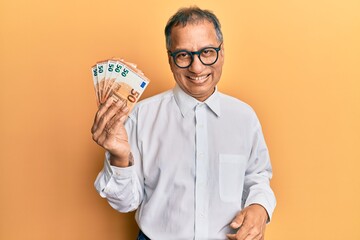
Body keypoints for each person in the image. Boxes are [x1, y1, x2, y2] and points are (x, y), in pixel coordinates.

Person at [92, 6, 276, 240]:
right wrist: (119, 158)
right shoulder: (140, 116)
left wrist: (261, 207)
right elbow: (126, 203)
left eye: (207, 52)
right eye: (183, 55)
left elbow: (258, 177)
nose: (196, 67)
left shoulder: (245, 117)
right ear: (170, 59)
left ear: (222, 52)